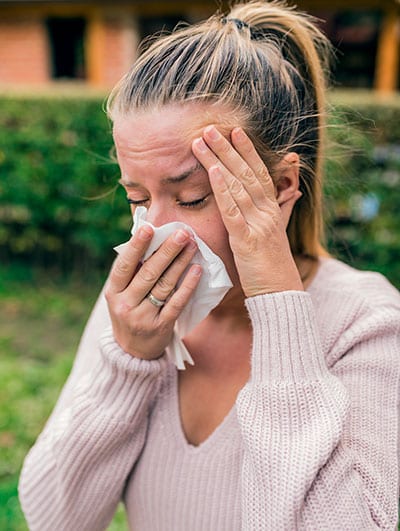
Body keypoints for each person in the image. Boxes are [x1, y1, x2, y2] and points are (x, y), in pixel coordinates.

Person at [19, 1, 400, 530]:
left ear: (282, 185)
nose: (154, 231)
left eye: (192, 197)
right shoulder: (137, 302)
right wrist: (129, 359)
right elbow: (56, 520)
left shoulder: (365, 322)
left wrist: (278, 305)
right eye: (136, 197)